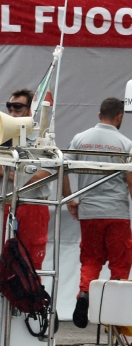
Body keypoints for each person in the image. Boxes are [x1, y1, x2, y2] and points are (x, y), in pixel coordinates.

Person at [62, 97, 132, 328]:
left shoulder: (80, 139)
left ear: (99, 114)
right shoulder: (125, 143)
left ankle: (84, 294)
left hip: (89, 212)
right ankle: (115, 313)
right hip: (117, 212)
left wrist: (70, 199)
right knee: (120, 264)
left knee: (91, 259)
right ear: (119, 116)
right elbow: (130, 181)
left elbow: (62, 166)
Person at [0, 89, 52, 269]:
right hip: (5, 203)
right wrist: (4, 170)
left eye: (17, 107)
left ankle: (31, 296)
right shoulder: (0, 134)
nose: (11, 112)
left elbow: (38, 177)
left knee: (30, 265)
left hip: (32, 206)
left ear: (31, 110)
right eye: (9, 107)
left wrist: (2, 169)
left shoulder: (43, 139)